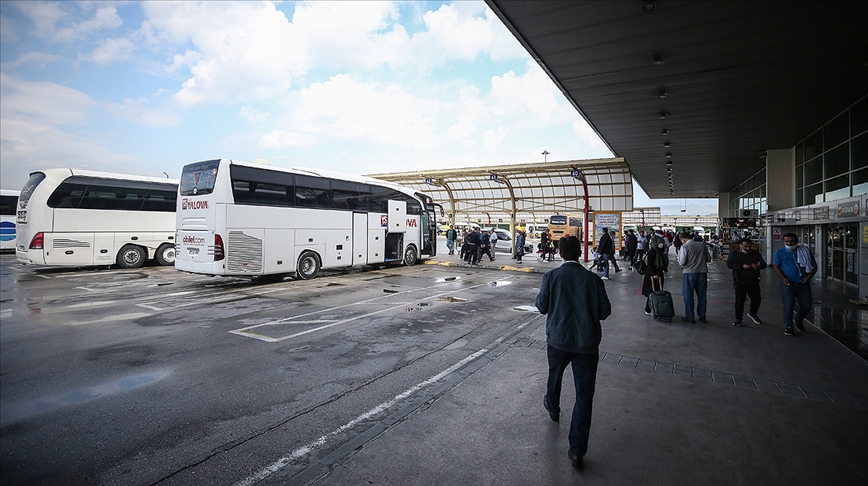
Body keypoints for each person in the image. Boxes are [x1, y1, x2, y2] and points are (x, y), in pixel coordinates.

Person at [536, 236, 611, 470]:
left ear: (560, 253)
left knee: (554, 374)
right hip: (586, 344)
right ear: (580, 253)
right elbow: (604, 312)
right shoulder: (593, 280)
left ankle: (553, 406)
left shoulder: (552, 276)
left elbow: (541, 306)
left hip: (558, 340)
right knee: (584, 396)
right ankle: (577, 450)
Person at [772, 233, 817, 336]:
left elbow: (814, 266)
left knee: (806, 305)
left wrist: (808, 277)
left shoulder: (805, 251)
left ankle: (798, 319)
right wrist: (783, 278)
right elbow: (776, 266)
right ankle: (789, 326)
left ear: (797, 241)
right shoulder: (780, 252)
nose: (789, 243)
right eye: (787, 241)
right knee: (788, 305)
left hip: (803, 283)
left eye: (792, 241)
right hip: (788, 283)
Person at [726, 237, 767, 326]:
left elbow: (763, 264)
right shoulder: (734, 254)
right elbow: (729, 264)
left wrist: (758, 266)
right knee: (740, 300)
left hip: (753, 280)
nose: (748, 249)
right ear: (740, 246)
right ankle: (738, 318)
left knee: (756, 299)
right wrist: (741, 267)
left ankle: (753, 313)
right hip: (739, 280)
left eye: (749, 247)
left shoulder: (755, 254)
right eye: (745, 247)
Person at [677, 231, 710, 323]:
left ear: (683, 239)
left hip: (689, 273)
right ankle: (702, 316)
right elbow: (708, 259)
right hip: (702, 272)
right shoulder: (703, 245)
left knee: (688, 295)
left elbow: (682, 262)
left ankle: (690, 316)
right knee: (702, 295)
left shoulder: (684, 247)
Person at [641, 234, 667, 315]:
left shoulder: (658, 251)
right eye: (660, 242)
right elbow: (650, 264)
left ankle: (656, 307)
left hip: (658, 274)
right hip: (652, 275)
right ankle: (648, 309)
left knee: (657, 292)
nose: (661, 244)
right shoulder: (652, 251)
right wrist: (653, 274)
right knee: (652, 292)